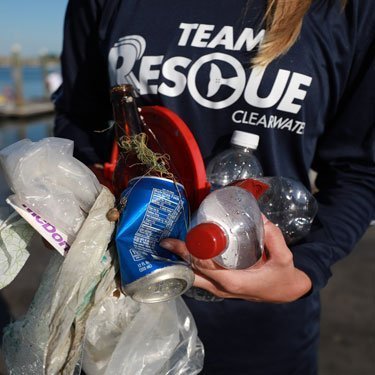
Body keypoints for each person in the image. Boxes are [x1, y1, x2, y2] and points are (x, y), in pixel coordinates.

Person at [54, 0, 375, 374]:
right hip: (115, 302)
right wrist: (66, 202)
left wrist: (304, 270)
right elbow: (81, 123)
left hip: (260, 329)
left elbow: (360, 170)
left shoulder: (347, 10)